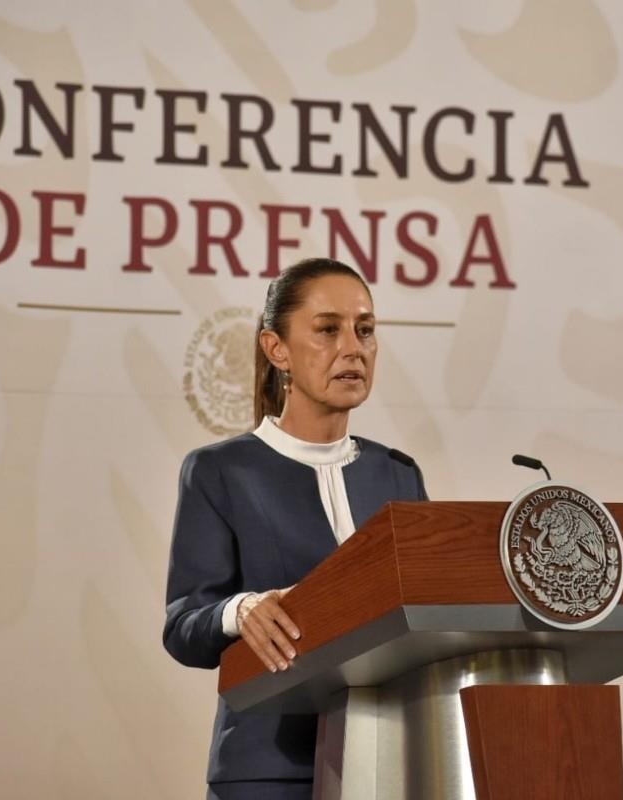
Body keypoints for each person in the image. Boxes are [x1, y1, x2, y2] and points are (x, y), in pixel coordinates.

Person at [162, 258, 428, 800]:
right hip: (267, 770)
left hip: (392, 763)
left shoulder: (398, 473)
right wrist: (241, 611)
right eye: (328, 329)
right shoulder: (220, 471)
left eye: (365, 330)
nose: (353, 348)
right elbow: (183, 627)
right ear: (276, 348)